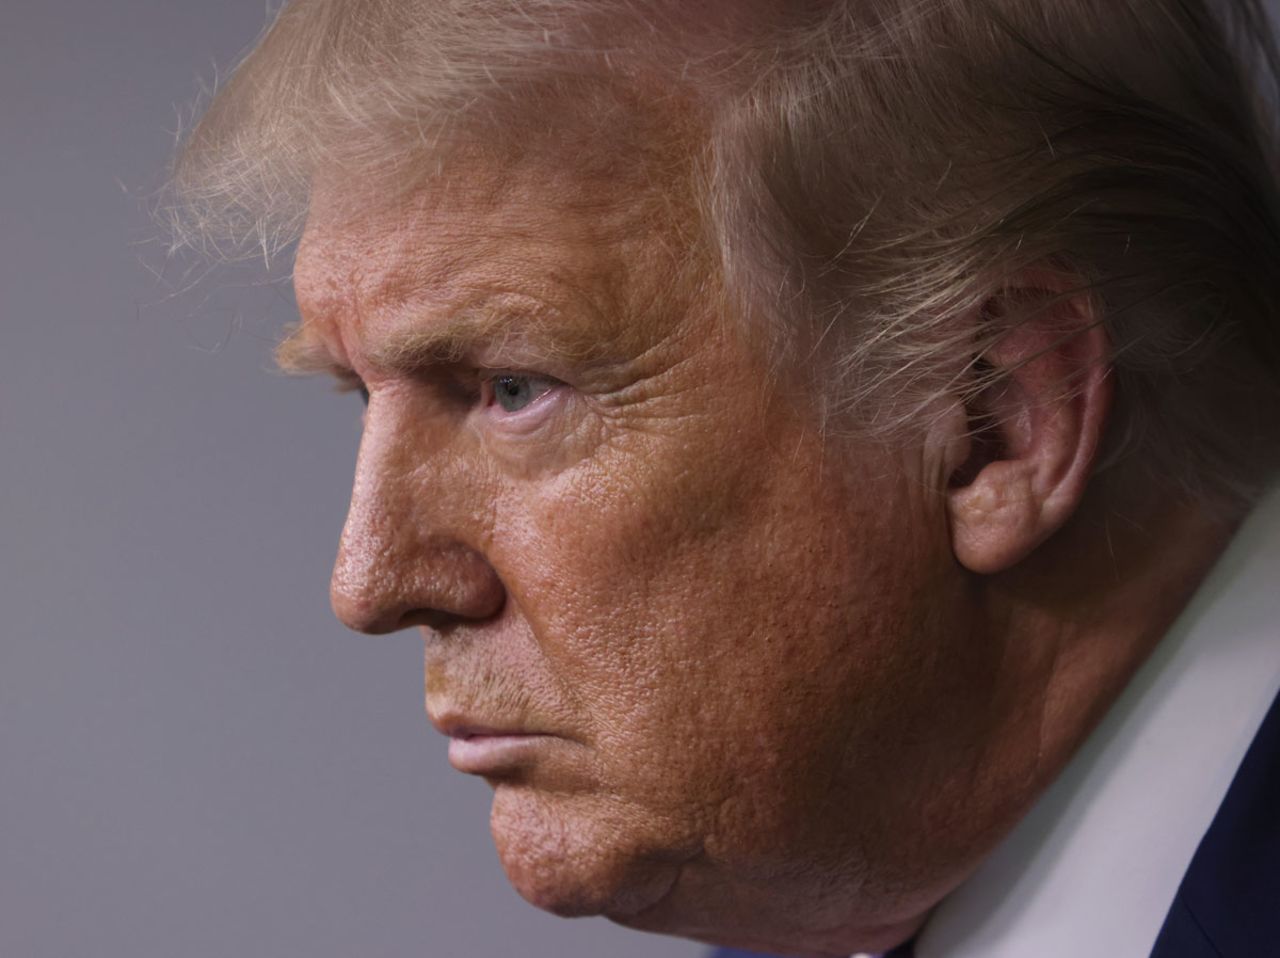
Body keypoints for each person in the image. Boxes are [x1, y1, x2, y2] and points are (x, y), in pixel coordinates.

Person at [167, 1, 1280, 955]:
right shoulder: (808, 894)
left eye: (512, 388)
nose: (367, 581)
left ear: (995, 420)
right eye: (363, 397)